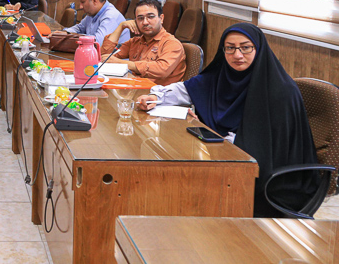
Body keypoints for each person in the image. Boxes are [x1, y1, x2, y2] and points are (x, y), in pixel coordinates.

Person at [136, 23, 319, 217]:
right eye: (230, 48)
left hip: (266, 177)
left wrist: (214, 137)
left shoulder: (281, 92)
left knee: (182, 186)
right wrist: (156, 98)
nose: (237, 55)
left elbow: (267, 147)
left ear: (258, 48)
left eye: (245, 48)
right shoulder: (220, 76)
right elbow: (187, 89)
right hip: (220, 159)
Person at [100, 0, 185, 86]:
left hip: (159, 93)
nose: (145, 22)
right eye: (140, 18)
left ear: (161, 18)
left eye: (150, 17)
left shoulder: (172, 43)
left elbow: (162, 70)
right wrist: (121, 27)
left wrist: (123, 63)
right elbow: (105, 56)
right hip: (135, 88)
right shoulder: (135, 42)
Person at [53, 0, 129, 46]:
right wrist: (66, 33)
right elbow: (79, 28)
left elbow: (97, 43)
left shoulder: (110, 16)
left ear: (95, 1)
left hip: (114, 59)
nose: (80, 6)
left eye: (83, 2)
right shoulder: (92, 13)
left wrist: (73, 37)